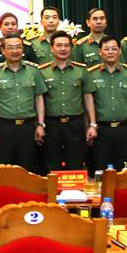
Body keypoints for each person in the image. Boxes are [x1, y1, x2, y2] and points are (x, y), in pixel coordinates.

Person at [37, 31, 97, 171]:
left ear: (71, 48)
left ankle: (75, 193)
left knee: (76, 163)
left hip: (75, 124)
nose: (63, 49)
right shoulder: (42, 71)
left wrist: (92, 124)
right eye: (59, 45)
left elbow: (88, 97)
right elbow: (39, 100)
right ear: (51, 48)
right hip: (51, 124)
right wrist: (39, 125)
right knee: (51, 164)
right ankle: (54, 193)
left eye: (66, 45)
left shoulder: (81, 70)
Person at [0, 35, 46, 172]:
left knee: (27, 168)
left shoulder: (34, 70)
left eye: (18, 47)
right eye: (10, 47)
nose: (15, 51)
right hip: (4, 127)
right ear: (2, 50)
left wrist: (40, 124)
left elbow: (39, 98)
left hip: (28, 127)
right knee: (2, 169)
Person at [88, 36, 127, 170]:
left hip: (125, 130)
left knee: (126, 171)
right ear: (99, 52)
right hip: (101, 130)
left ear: (120, 51)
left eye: (114, 49)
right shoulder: (91, 74)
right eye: (106, 49)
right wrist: (90, 126)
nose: (110, 52)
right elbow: (88, 103)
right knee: (101, 171)